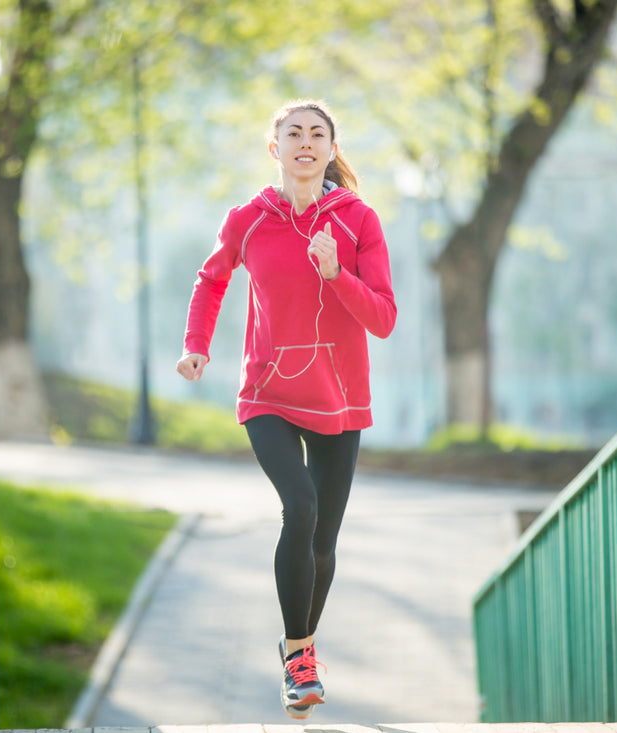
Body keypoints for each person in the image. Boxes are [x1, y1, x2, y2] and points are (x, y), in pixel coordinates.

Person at [176, 99, 397, 719]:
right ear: (274, 148)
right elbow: (211, 278)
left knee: (323, 541)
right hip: (268, 393)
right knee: (297, 507)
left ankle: (295, 643)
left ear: (332, 148)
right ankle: (301, 663)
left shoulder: (358, 220)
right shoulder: (250, 218)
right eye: (292, 133)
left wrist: (334, 274)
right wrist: (196, 347)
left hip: (339, 400)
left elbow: (383, 318)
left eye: (317, 134)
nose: (305, 142)